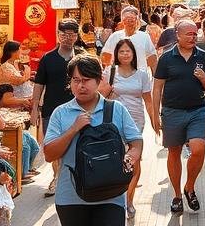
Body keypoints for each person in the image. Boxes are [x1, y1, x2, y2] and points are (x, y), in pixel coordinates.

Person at [43, 54, 144, 226]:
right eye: (76, 80)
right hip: (71, 198)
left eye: (86, 80)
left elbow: (136, 141)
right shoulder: (61, 113)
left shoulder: (116, 109)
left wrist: (131, 156)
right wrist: (74, 129)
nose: (81, 85)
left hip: (111, 196)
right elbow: (49, 154)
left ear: (99, 80)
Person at [151, 19, 205, 213]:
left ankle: (190, 186)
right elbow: (157, 88)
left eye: (195, 33)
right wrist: (155, 115)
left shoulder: (203, 57)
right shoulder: (166, 58)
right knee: (174, 152)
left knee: (198, 148)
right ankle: (177, 195)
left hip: (197, 110)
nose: (193, 37)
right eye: (188, 34)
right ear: (177, 35)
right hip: (172, 111)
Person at [99, 38, 157, 216]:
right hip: (113, 120)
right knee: (115, 160)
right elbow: (99, 96)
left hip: (135, 121)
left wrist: (156, 122)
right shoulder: (109, 71)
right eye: (121, 51)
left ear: (133, 54)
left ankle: (129, 199)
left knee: (134, 160)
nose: (125, 54)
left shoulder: (142, 75)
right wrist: (108, 89)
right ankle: (115, 198)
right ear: (116, 54)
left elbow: (148, 100)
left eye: (128, 51)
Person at [31, 19, 81, 194]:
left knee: (76, 144)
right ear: (58, 35)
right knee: (53, 145)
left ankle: (73, 177)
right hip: (51, 110)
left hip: (77, 109)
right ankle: (57, 177)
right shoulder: (48, 58)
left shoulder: (81, 57)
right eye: (64, 34)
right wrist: (34, 108)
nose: (68, 38)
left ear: (76, 36)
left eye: (71, 34)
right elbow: (39, 85)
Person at [0, 84, 42, 183]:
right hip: (6, 131)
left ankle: (28, 168)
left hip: (17, 127)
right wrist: (22, 101)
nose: (13, 98)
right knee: (24, 147)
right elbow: (5, 102)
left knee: (34, 145)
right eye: (10, 96)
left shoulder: (14, 105)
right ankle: (22, 173)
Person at [101, 5, 157, 71]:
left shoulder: (144, 37)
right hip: (118, 77)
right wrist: (109, 72)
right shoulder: (115, 36)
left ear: (137, 21)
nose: (129, 22)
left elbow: (152, 58)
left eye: (132, 20)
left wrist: (141, 68)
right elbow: (106, 55)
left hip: (139, 77)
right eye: (127, 19)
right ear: (122, 21)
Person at [0, 40, 34, 110]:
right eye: (20, 49)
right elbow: (18, 81)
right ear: (13, 52)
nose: (21, 52)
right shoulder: (6, 66)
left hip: (22, 103)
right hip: (13, 105)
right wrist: (27, 71)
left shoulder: (14, 64)